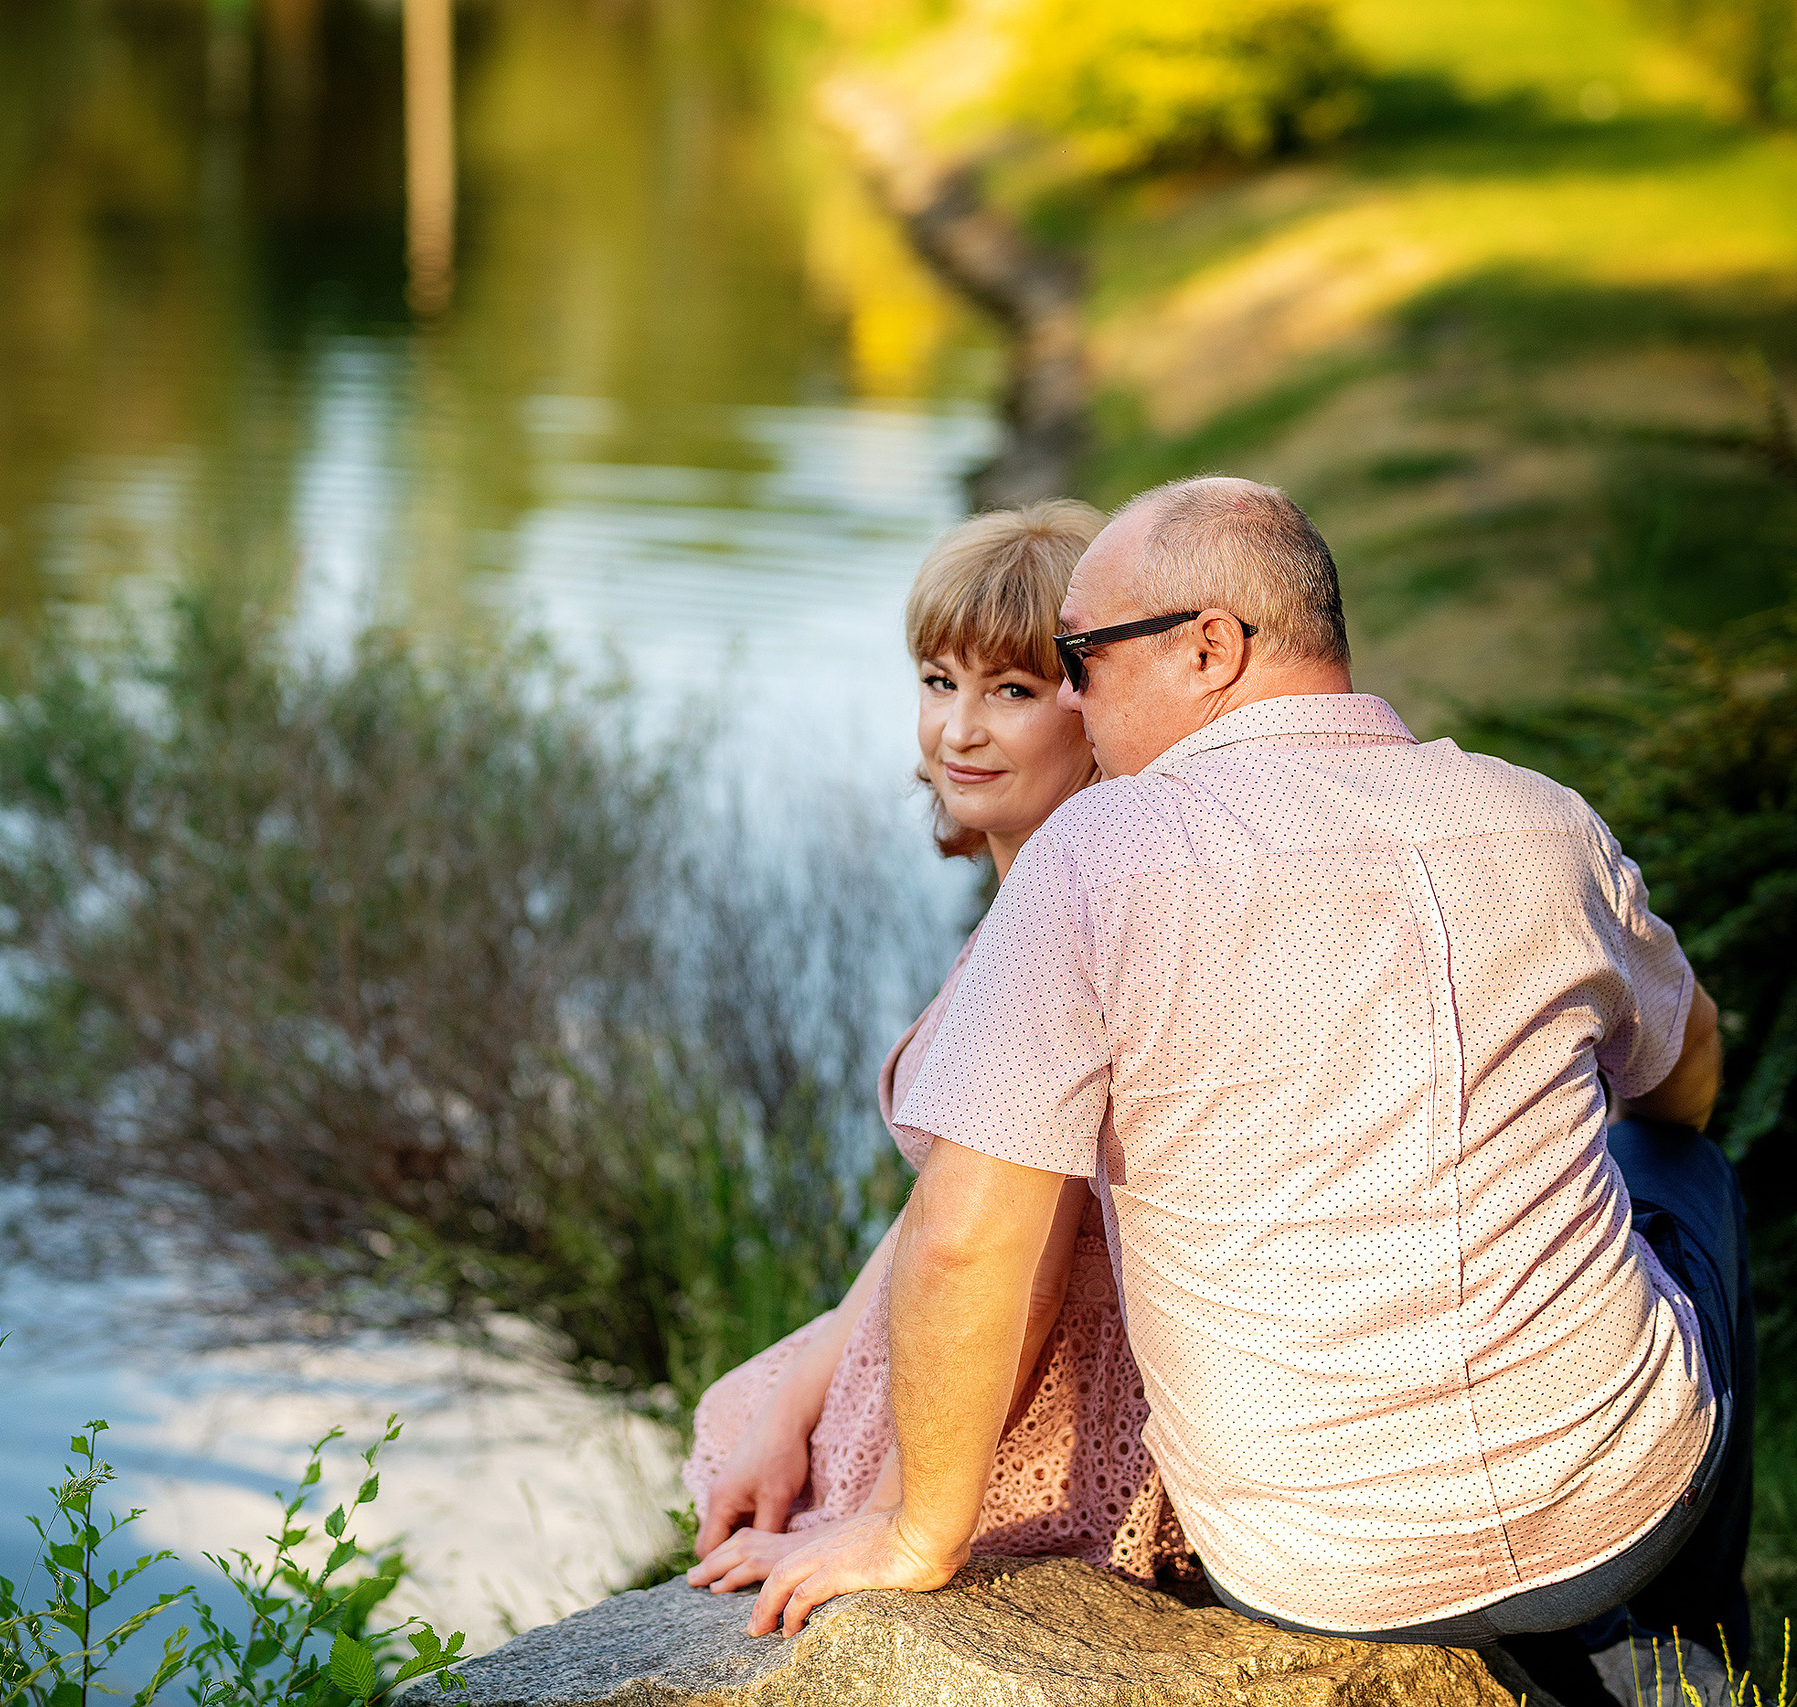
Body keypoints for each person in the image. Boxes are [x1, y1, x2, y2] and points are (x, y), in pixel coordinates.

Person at [740, 477, 1750, 1704]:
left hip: (1307, 1567)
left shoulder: (1094, 859)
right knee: (1682, 1169)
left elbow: (968, 1242)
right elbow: (1684, 1060)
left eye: (1080, 660)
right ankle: (1691, 1640)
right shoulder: (1541, 818)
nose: (1067, 696)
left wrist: (915, 1534)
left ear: (1209, 647)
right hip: (1620, 1510)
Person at [681, 500, 1196, 1596]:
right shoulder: (1027, 898)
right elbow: (947, 1199)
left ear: (1093, 703)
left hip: (1050, 1384)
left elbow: (1023, 1264)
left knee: (775, 1484)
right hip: (973, 1322)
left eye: (1009, 692)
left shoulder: (1073, 927)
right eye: (936, 681)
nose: (957, 730)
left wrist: (890, 1521)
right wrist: (800, 1395)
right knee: (748, 1411)